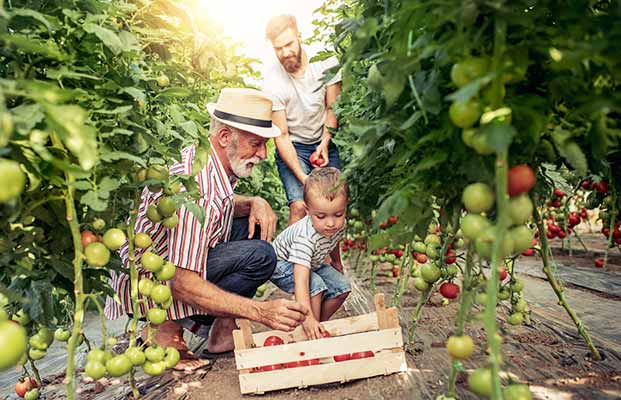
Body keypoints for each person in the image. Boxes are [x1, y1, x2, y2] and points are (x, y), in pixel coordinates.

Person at [104, 88, 308, 369]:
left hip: (161, 268)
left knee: (250, 230)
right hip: (148, 287)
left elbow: (219, 206)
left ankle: (222, 332)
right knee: (260, 255)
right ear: (225, 137)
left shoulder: (207, 159)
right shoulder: (196, 188)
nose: (262, 154)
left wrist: (252, 202)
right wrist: (260, 311)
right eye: (256, 143)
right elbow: (182, 281)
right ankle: (164, 330)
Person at [262, 14, 343, 225]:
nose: (285, 52)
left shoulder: (325, 61)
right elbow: (282, 136)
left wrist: (325, 143)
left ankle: (334, 260)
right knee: (299, 206)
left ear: (299, 36)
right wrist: (304, 178)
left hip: (322, 140)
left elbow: (332, 108)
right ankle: (290, 259)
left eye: (289, 44)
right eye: (278, 48)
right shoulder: (272, 82)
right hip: (293, 148)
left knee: (331, 206)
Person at [270, 167, 350, 340]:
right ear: (307, 210)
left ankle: (318, 326)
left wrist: (337, 262)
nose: (330, 223)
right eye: (321, 216)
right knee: (315, 286)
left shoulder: (339, 225)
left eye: (338, 214)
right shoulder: (305, 238)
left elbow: (334, 241)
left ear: (345, 206)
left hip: (311, 262)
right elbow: (301, 280)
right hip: (280, 264)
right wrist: (308, 318)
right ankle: (309, 328)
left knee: (342, 287)